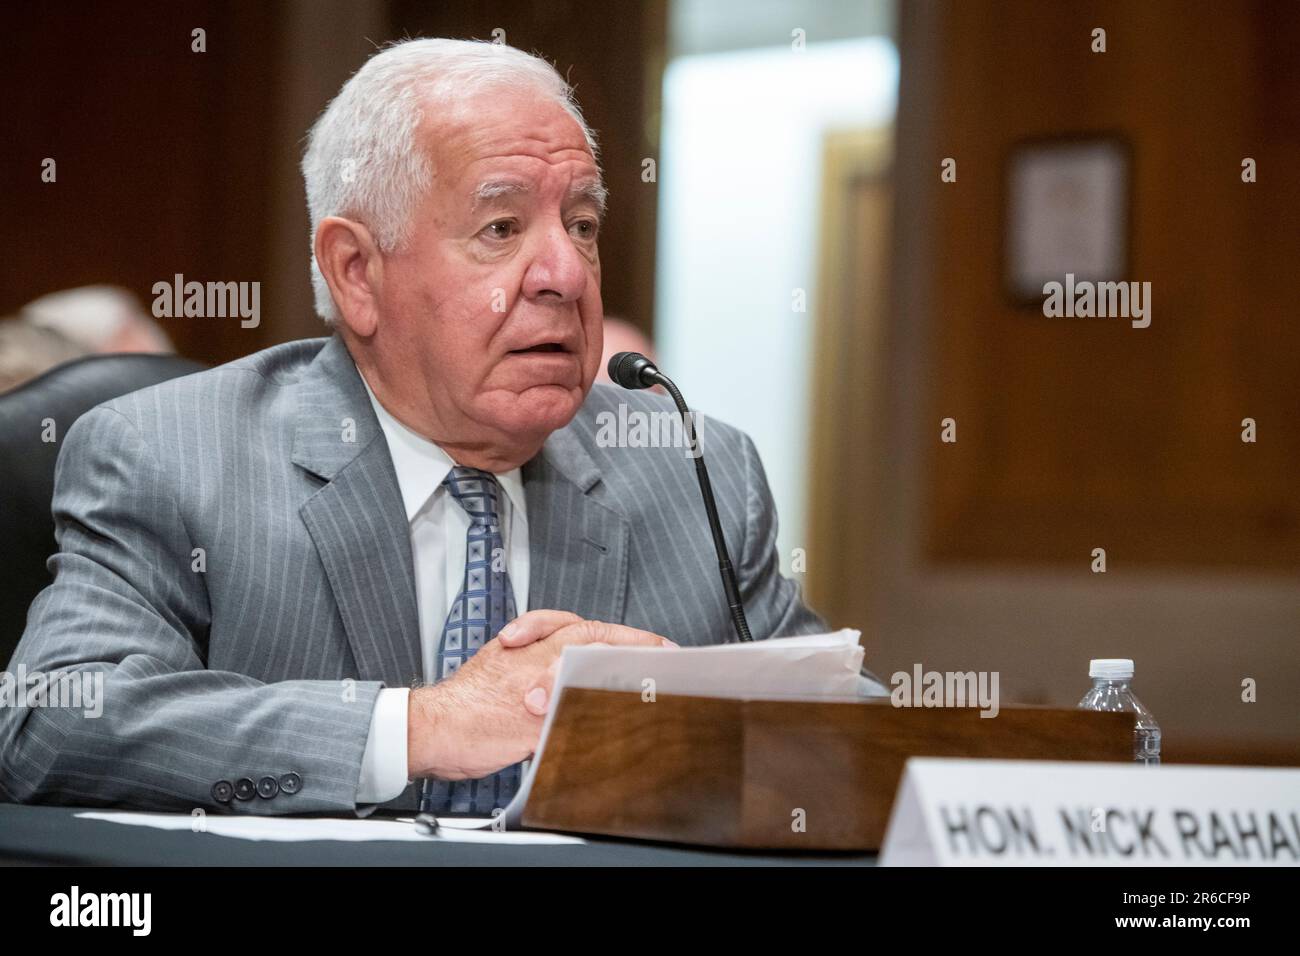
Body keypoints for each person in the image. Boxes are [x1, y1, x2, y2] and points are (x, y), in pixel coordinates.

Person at [0, 39, 877, 817]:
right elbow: (51, 721)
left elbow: (842, 731)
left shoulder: (695, 469)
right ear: (356, 273)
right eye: (502, 227)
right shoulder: (173, 458)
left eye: (582, 224)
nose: (567, 273)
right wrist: (422, 726)